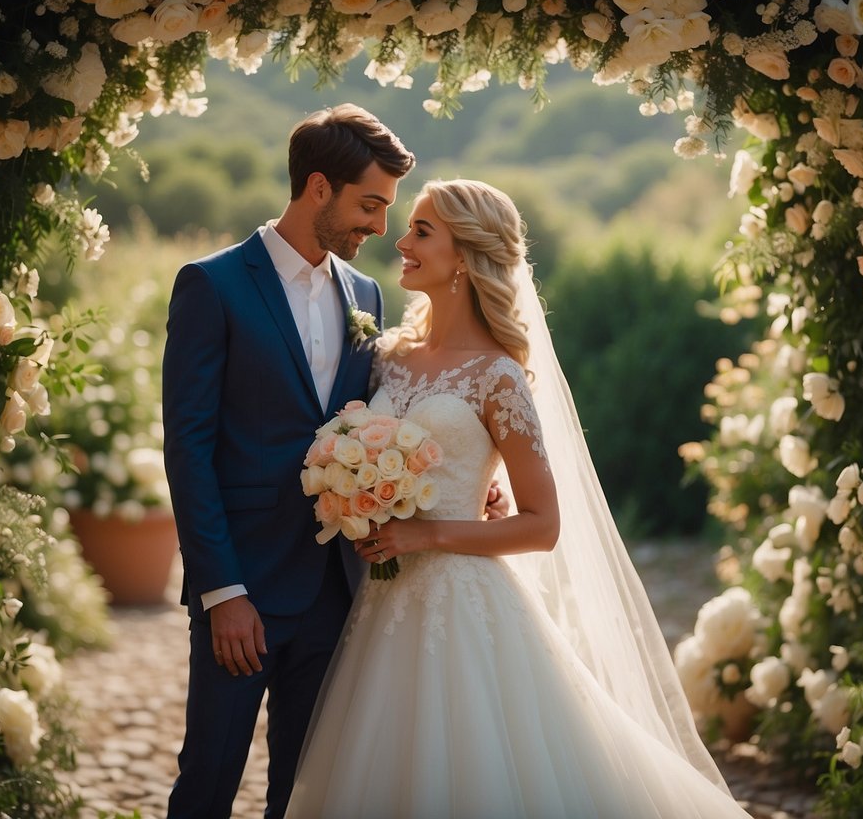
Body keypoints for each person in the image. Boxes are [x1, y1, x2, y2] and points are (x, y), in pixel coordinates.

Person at [284, 179, 753, 818]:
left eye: (422, 230)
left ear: (467, 254)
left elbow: (543, 524)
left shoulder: (497, 375)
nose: (402, 240)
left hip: (463, 599)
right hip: (385, 603)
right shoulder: (387, 357)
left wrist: (428, 534)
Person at [160, 104, 416, 819]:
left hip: (335, 590)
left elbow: (377, 426)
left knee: (306, 793)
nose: (379, 226)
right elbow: (188, 449)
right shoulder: (212, 286)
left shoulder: (365, 294)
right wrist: (221, 593)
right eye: (369, 204)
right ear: (316, 188)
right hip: (243, 590)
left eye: (387, 208)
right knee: (208, 780)